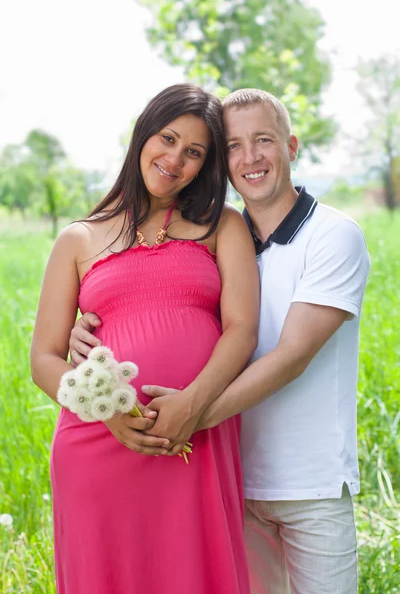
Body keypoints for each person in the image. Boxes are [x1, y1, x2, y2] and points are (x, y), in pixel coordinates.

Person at [71, 88, 370, 594]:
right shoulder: (215, 238)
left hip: (308, 483)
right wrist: (91, 326)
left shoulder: (333, 236)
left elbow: (291, 355)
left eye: (264, 141)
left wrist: (188, 414)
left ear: (291, 146)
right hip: (227, 476)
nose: (249, 158)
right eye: (232, 146)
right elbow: (162, 301)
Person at [30, 83, 260, 594]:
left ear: (206, 166)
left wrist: (193, 407)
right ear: (142, 136)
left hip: (193, 435)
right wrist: (108, 412)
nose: (175, 160)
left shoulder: (222, 226)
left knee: (194, 572)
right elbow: (44, 359)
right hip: (98, 443)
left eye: (194, 152)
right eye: (168, 138)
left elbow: (242, 329)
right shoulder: (79, 238)